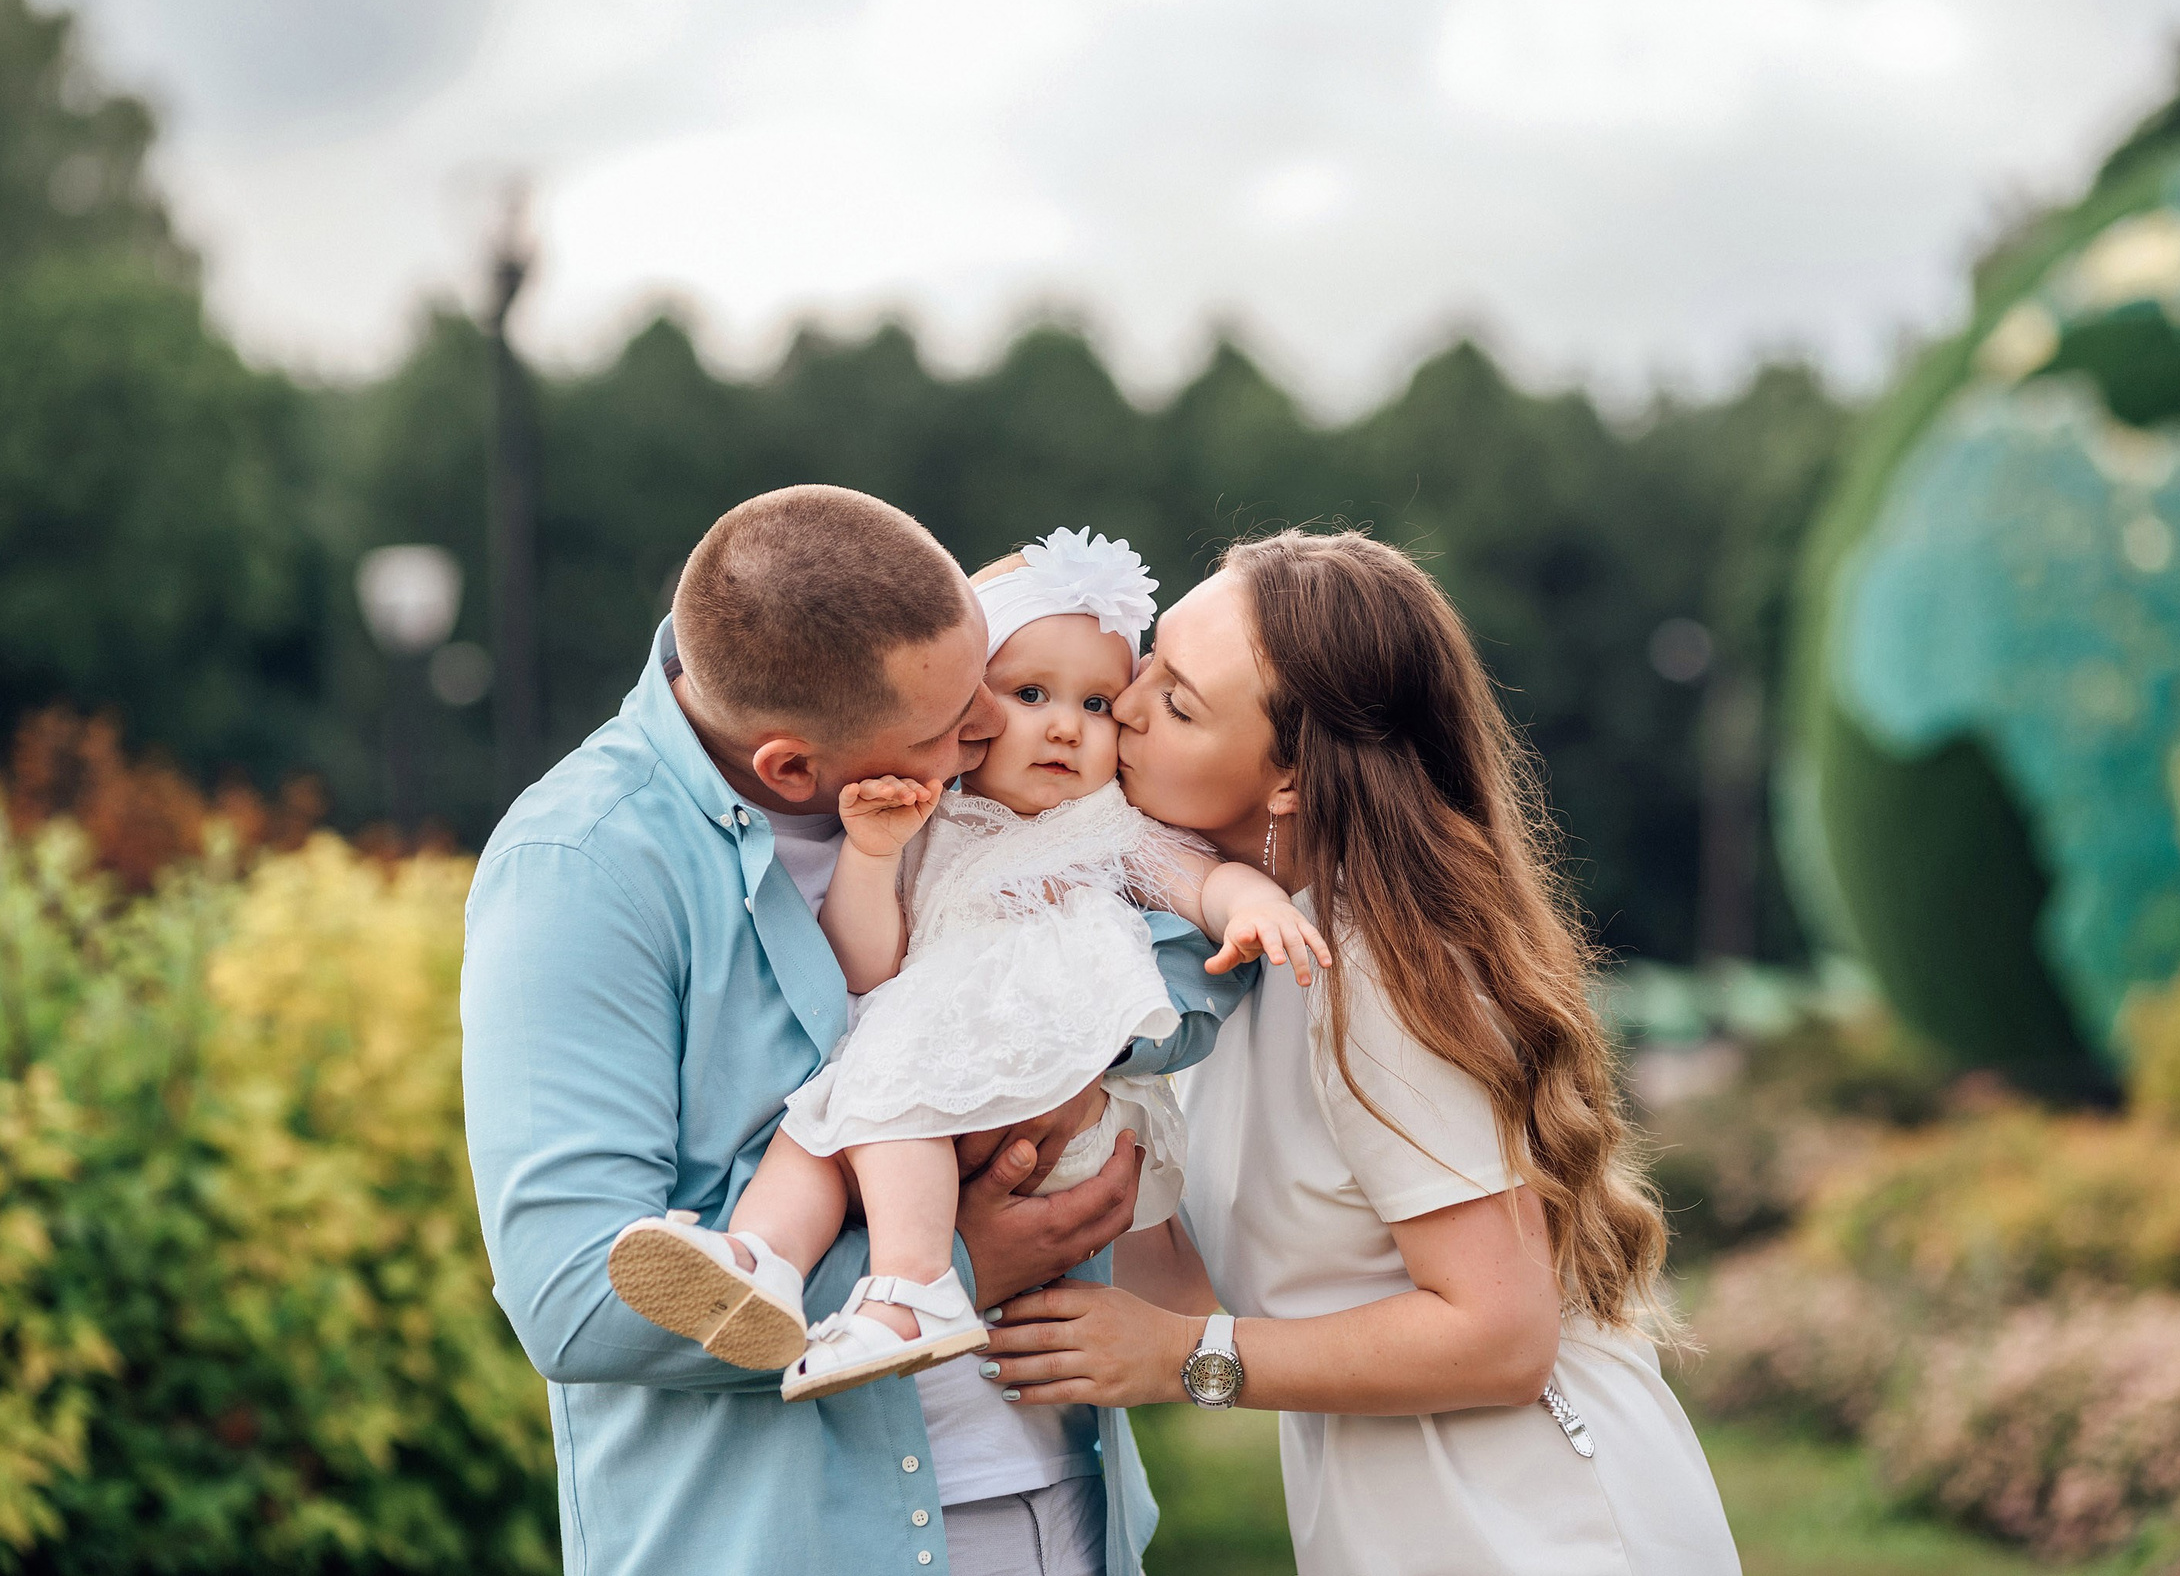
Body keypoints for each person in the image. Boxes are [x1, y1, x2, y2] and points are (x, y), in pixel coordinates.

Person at [458, 487, 1251, 1576]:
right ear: (792, 768)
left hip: (1058, 1501)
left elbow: (1176, 963)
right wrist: (963, 1257)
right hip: (788, 1537)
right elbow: (571, 1303)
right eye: (951, 724)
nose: (988, 731)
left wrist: (1055, 1049)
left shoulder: (922, 741)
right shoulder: (585, 865)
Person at [982, 529, 1743, 1576]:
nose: (1128, 703)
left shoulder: (1377, 965)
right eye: (1148, 662)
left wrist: (1182, 1362)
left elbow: (1500, 1336)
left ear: (1288, 776)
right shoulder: (1241, 951)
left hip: (1540, 1529)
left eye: (1183, 701)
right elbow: (1195, 1282)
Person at [605, 528, 1329, 1403]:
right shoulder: (930, 820)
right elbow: (868, 966)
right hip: (940, 1057)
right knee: (817, 1129)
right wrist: (873, 856)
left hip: (1038, 1066)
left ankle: (914, 1287)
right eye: (1030, 693)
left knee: (888, 1103)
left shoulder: (1107, 827)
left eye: (1099, 704)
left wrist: (1251, 904)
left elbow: (1204, 880)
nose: (1066, 724)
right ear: (967, 707)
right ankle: (760, 1264)